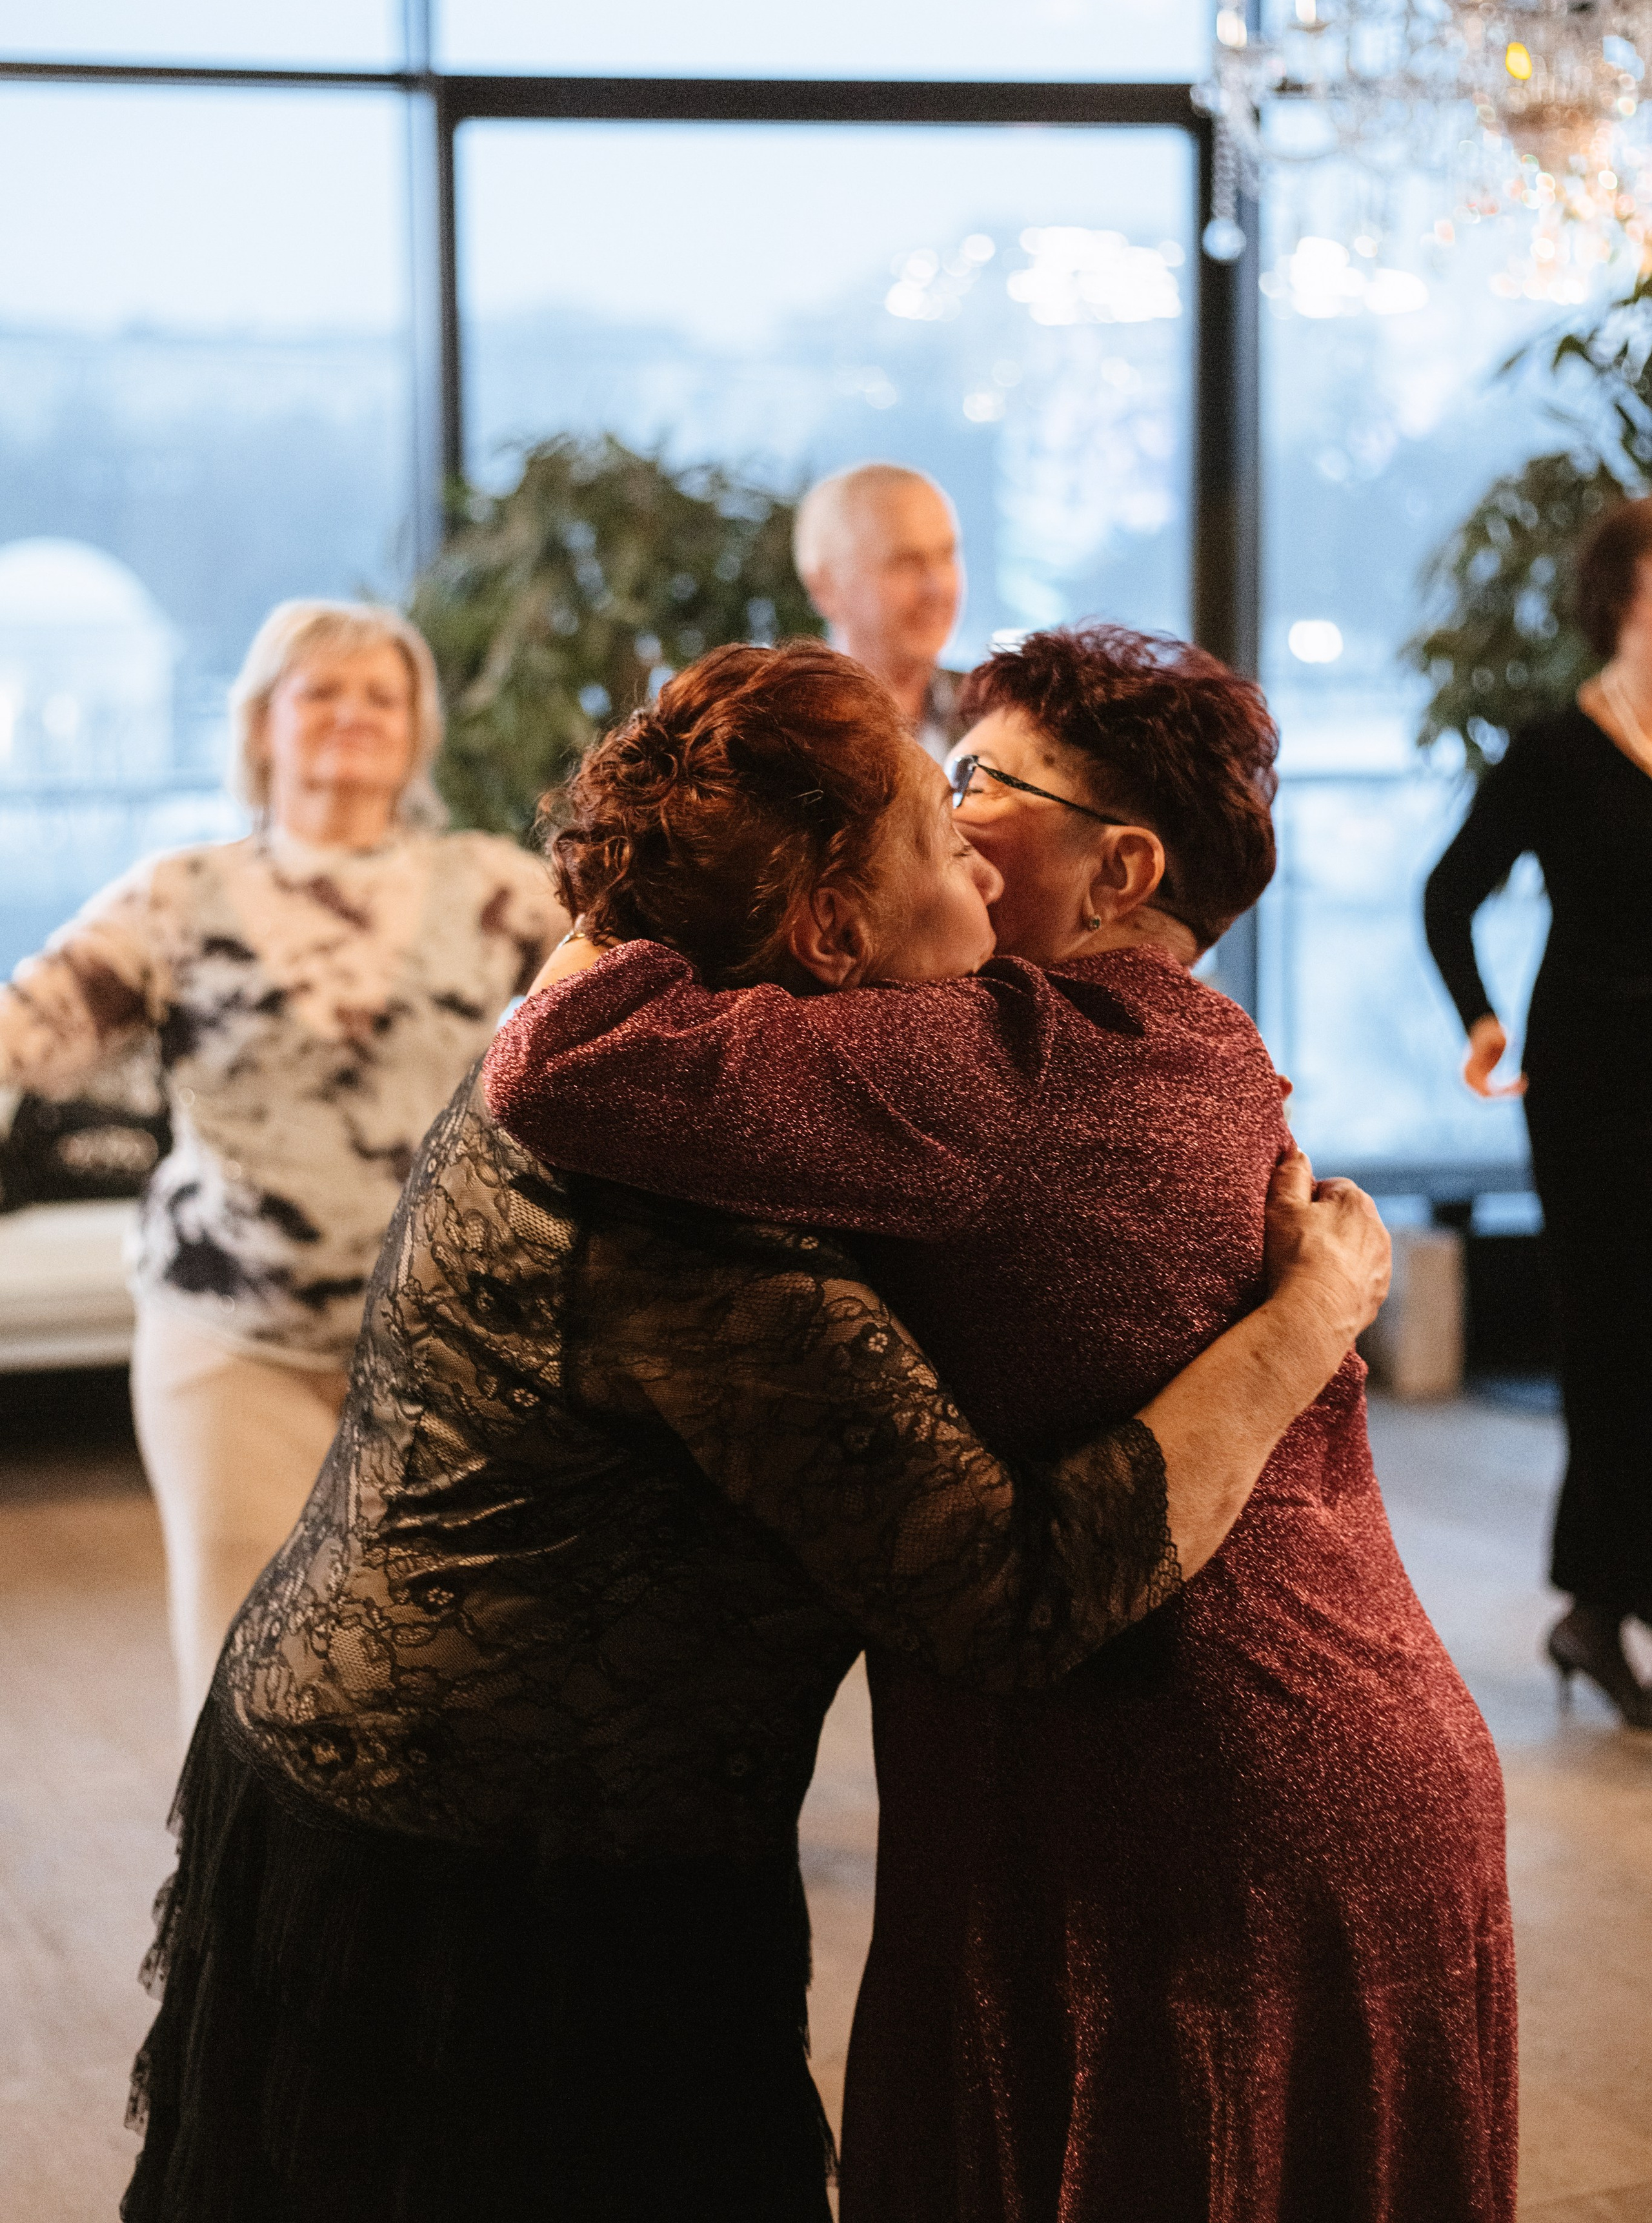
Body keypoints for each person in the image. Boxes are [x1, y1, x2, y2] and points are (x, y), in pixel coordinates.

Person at [122, 643, 1389, 2223]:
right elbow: (1013, 1591)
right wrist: (1307, 1318)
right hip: (485, 1876)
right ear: (834, 931)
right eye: (939, 823)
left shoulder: (697, 1052)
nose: (977, 860)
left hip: (419, 1779)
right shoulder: (699, 1220)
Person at [489, 627, 1516, 2223]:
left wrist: (652, 837)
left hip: (1185, 1793)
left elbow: (564, 1058)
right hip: (1353, 1761)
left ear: (1121, 868)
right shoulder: (1202, 1043)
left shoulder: (1015, 1056)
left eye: (977, 780)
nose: (942, 810)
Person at [0, 599, 564, 1727]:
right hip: (230, 1347)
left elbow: (643, 1004)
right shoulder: (176, 895)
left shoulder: (494, 886)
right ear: (263, 723)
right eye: (321, 692)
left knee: (429, 1681)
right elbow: (27, 1029)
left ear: (417, 730)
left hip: (437, 1347)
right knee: (249, 1677)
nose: (353, 714)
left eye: (381, 696)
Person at [1425, 495, 1652, 1730]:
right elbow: (1450, 893)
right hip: (1596, 1082)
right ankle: (1602, 1607)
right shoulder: (1555, 754)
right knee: (1614, 1335)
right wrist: (1480, 1020)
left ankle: (1599, 1600)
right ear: (1620, 603)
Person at [794, 461, 966, 756]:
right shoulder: (785, 740)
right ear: (825, 587)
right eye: (905, 563)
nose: (936, 588)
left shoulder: (1006, 718)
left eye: (946, 556)